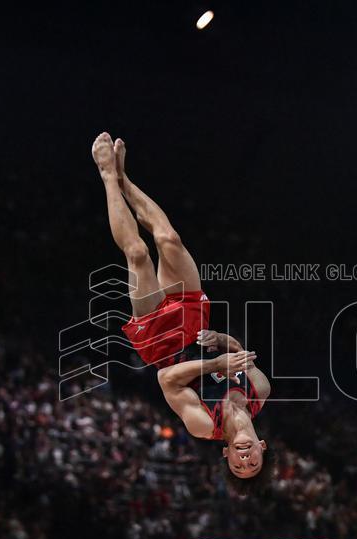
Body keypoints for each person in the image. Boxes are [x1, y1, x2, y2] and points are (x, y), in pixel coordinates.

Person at [91, 132, 273, 494]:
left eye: (239, 467)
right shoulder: (260, 390)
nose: (244, 459)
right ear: (262, 449)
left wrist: (214, 366)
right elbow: (236, 349)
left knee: (139, 255)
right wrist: (221, 341)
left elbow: (166, 380)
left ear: (226, 456)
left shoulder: (203, 424)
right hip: (193, 328)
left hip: (160, 344)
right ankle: (127, 180)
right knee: (169, 239)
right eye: (253, 463)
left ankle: (108, 176)